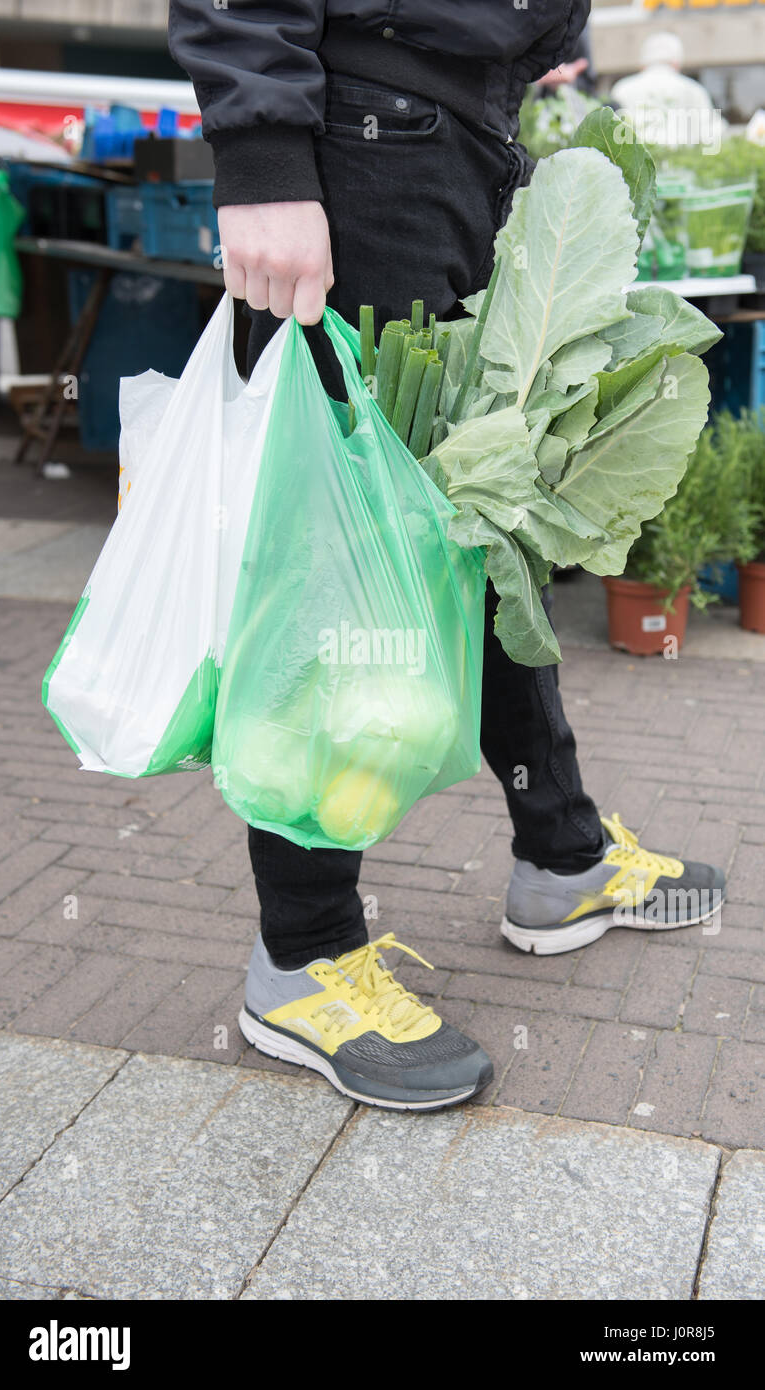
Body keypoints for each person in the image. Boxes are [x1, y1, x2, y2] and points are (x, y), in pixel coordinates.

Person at [168, 1, 725, 1112]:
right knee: (344, 551)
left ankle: (560, 857)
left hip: (456, 136)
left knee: (478, 520)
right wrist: (265, 155)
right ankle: (306, 956)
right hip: (358, 134)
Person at [609, 31, 718, 148]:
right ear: (676, 62)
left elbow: (615, 134)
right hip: (685, 160)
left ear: (642, 63)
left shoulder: (622, 88)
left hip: (638, 163)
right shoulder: (694, 90)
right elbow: (711, 133)